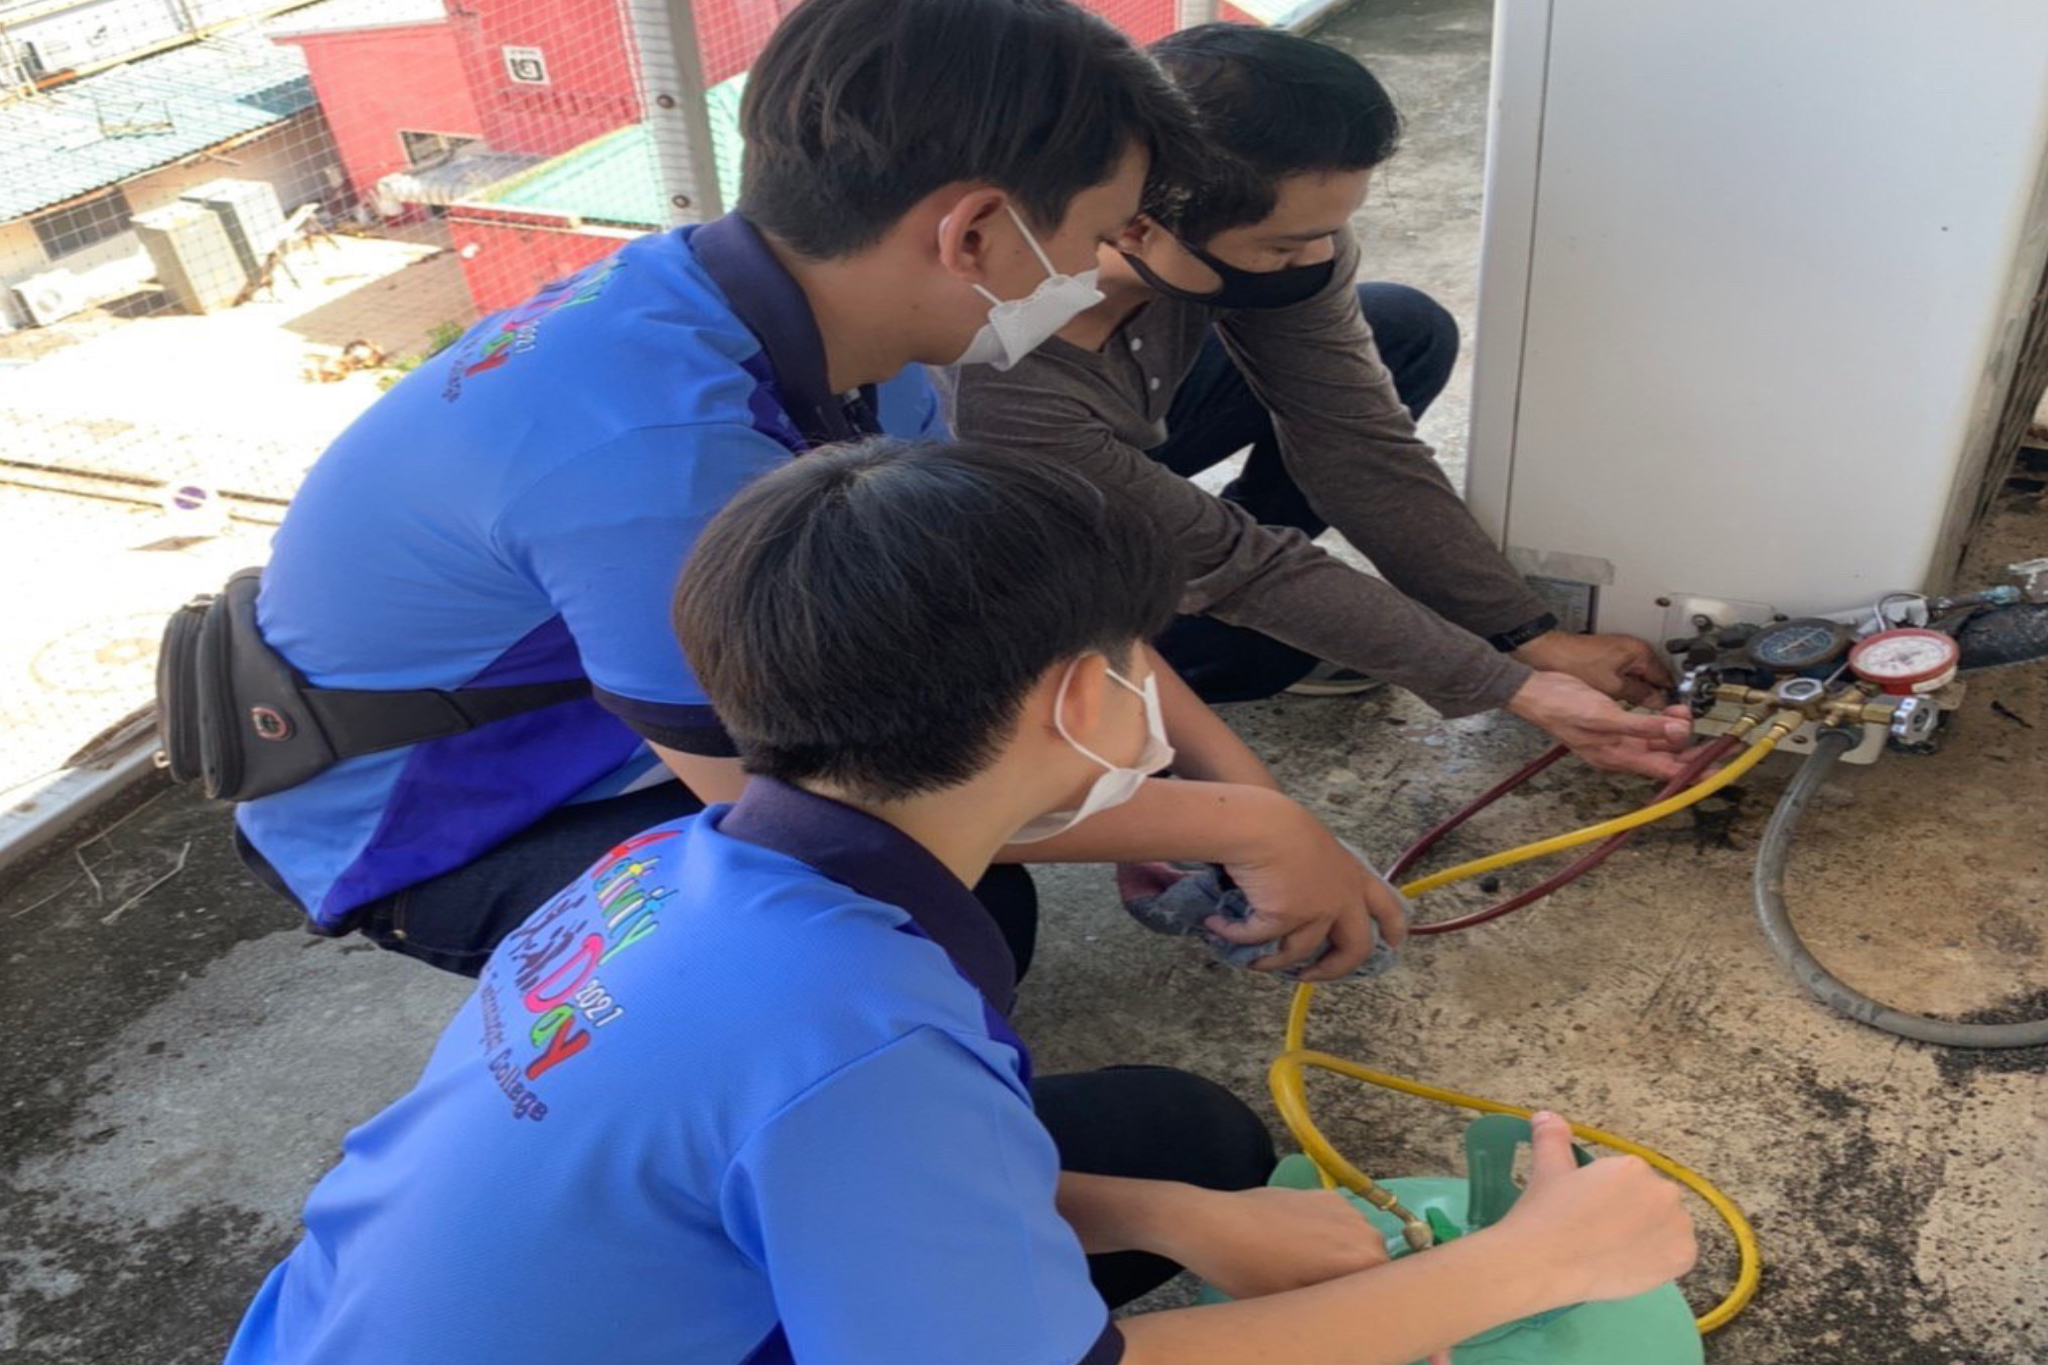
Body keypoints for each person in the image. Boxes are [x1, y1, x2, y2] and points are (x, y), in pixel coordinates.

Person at [220, 439, 1697, 1365]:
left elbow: (781, 1165)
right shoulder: (861, 1032)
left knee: (1187, 1144)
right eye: (1140, 662)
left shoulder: (666, 865)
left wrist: (1178, 1219)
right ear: (1080, 702)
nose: (1149, 698)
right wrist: (1536, 1262)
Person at [234, 0, 1401, 982]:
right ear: (976, 233)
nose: (1096, 275)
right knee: (902, 914)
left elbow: (1026, 604)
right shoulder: (664, 459)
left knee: (970, 847)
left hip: (613, 712)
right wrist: (1231, 828)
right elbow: (791, 803)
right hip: (443, 826)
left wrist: (1235, 801)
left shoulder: (807, 332)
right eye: (1095, 236)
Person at [944, 24, 1698, 778]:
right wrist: (1510, 686)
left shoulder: (1259, 242)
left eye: (1329, 231)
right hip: (992, 541)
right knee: (1268, 636)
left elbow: (1359, 441)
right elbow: (1245, 568)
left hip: (1108, 443)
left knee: (1401, 325)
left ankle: (1199, 562)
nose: (1319, 259)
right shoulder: (997, 380)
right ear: (1139, 223)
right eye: (1283, 246)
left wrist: (1522, 632)